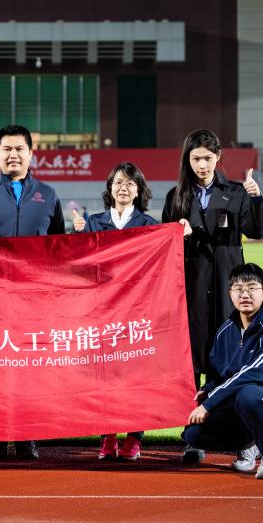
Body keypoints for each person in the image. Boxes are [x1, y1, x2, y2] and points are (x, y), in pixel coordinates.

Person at [161, 129, 263, 462]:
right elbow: (163, 246)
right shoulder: (176, 196)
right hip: (191, 291)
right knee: (192, 367)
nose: (202, 165)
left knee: (231, 365)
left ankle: (242, 441)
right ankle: (194, 438)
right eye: (195, 158)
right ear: (187, 159)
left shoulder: (236, 192)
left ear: (218, 157)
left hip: (228, 290)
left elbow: (258, 230)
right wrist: (180, 236)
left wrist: (256, 198)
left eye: (207, 158)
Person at [0, 124, 65, 460]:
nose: (13, 155)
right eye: (6, 149)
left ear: (31, 153)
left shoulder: (48, 195)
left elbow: (60, 248)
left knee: (30, 370)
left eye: (19, 149)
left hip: (34, 300)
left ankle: (26, 437)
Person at [73, 161, 157, 461]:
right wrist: (77, 236)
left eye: (130, 183)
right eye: (118, 182)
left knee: (135, 376)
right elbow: (80, 265)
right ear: (110, 188)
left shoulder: (149, 225)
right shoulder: (94, 223)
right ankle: (107, 436)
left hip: (135, 312)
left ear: (138, 190)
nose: (124, 188)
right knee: (103, 375)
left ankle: (134, 437)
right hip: (101, 311)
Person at [184, 263, 263, 480]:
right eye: (238, 289)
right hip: (238, 404)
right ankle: (249, 444)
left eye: (252, 288)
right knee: (194, 434)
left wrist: (210, 404)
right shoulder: (224, 332)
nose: (245, 294)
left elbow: (252, 373)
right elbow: (218, 375)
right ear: (230, 294)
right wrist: (207, 391)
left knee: (250, 394)